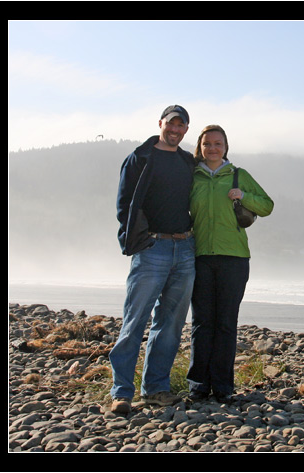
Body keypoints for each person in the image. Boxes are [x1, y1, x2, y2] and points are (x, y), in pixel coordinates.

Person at [110, 105, 196, 414]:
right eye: (171, 123)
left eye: (181, 125)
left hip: (185, 249)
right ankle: (121, 393)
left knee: (170, 325)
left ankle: (156, 389)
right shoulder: (140, 158)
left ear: (186, 129)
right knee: (134, 323)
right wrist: (136, 242)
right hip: (152, 249)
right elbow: (124, 205)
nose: (175, 129)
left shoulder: (188, 161)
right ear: (161, 123)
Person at [187, 124, 274, 402]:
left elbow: (267, 206)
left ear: (225, 147)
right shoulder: (192, 177)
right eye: (207, 144)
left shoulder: (238, 175)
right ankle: (198, 386)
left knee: (225, 322)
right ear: (200, 148)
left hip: (234, 259)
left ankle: (223, 386)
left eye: (218, 143)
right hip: (199, 256)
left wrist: (244, 196)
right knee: (201, 323)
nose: (212, 148)